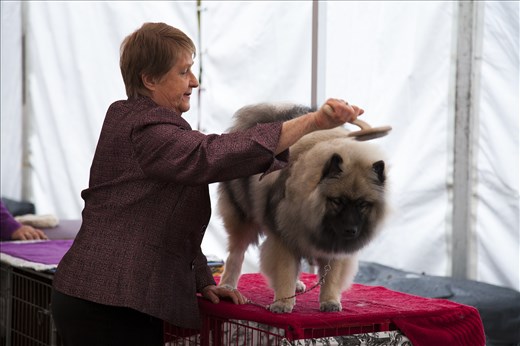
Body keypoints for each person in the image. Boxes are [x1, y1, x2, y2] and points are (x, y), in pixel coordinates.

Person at [51, 22, 364, 346]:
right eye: (183, 72)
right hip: (108, 307)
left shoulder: (132, 119)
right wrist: (312, 122)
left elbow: (169, 225)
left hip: (97, 299)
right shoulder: (148, 131)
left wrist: (202, 281)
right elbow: (210, 155)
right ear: (150, 79)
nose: (194, 81)